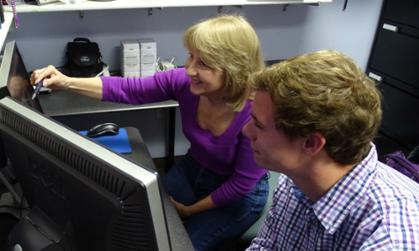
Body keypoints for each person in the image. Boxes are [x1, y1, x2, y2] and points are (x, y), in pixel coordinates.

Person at [31, 14, 269, 251]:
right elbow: (129, 89)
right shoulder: (186, 83)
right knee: (137, 220)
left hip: (238, 198)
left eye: (203, 63)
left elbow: (241, 184)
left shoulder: (255, 112)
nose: (189, 68)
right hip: (194, 170)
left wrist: (189, 211)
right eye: (191, 56)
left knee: (177, 245)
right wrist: (65, 81)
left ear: (234, 69)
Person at [243, 50, 419, 250]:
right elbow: (266, 246)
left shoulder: (390, 238)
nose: (246, 131)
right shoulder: (296, 179)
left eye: (258, 124)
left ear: (311, 143)